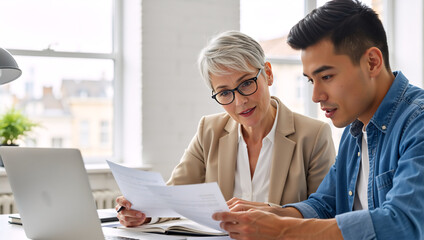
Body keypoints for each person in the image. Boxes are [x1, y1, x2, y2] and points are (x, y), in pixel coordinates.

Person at [212, 0, 424, 239]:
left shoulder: (418, 122)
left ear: (372, 62)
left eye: (327, 76)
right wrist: (273, 214)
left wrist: (281, 229)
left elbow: (403, 223)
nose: (315, 96)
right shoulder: (354, 131)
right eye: (311, 80)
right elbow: (325, 204)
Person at [116, 30, 336, 227]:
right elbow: (175, 195)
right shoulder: (209, 130)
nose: (240, 101)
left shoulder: (313, 135)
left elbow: (327, 213)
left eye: (246, 83)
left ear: (267, 74)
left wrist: (271, 215)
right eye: (224, 92)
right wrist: (144, 212)